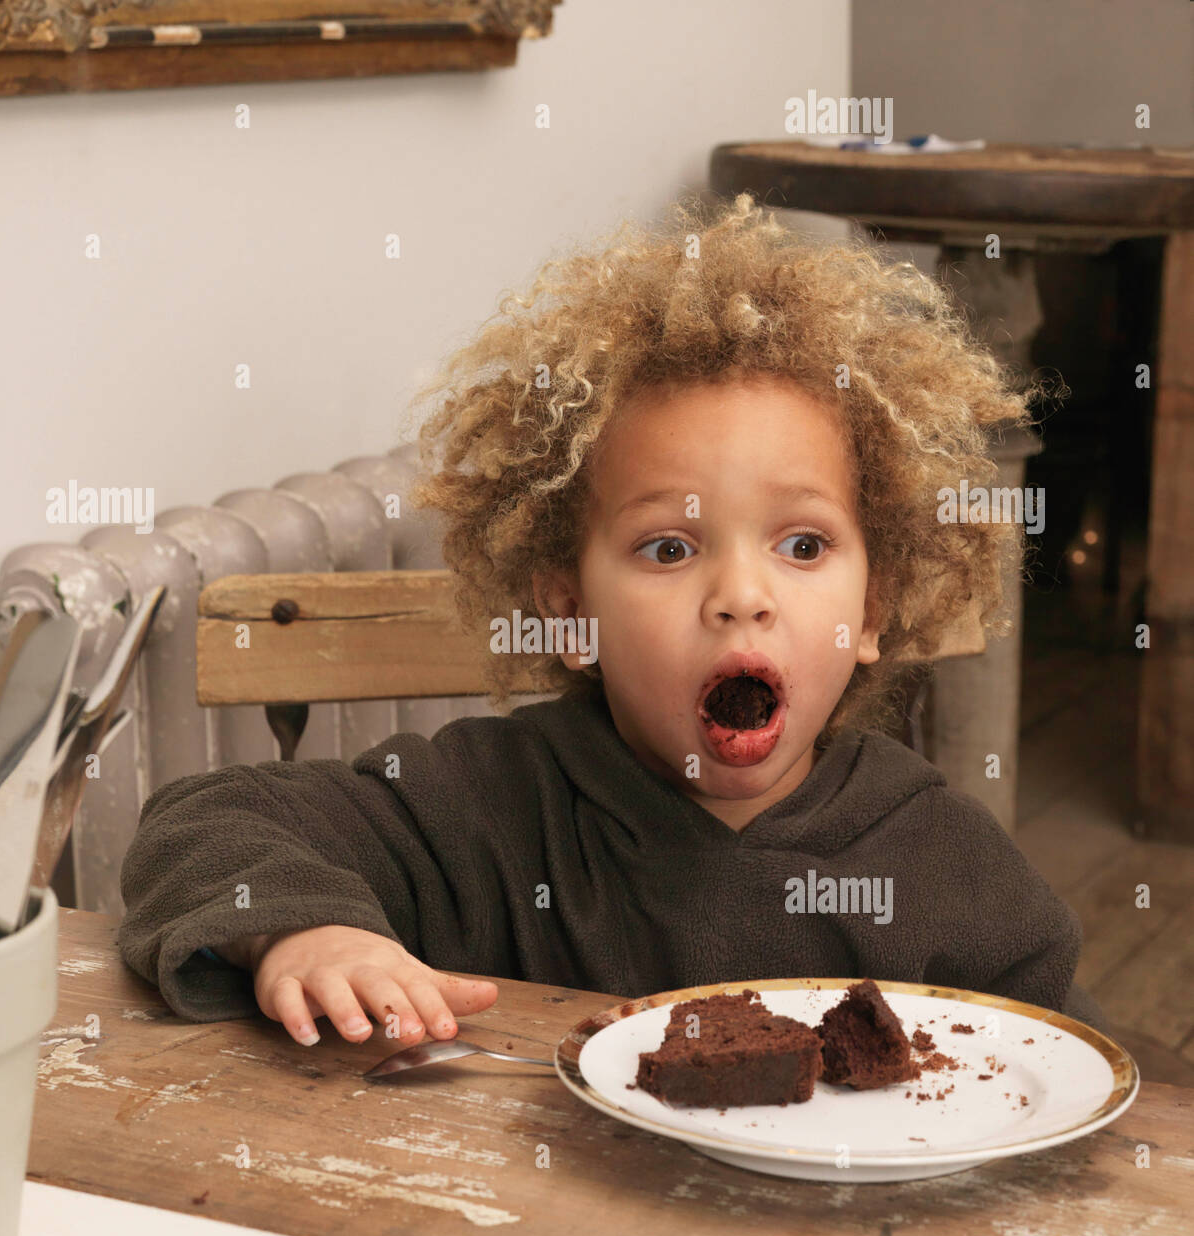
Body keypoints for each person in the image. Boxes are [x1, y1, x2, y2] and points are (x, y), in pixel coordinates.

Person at [118, 193, 1107, 1046]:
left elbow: (1081, 1068)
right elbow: (203, 823)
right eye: (669, 549)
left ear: (874, 610)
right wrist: (310, 932)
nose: (741, 593)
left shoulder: (938, 856)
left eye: (801, 546)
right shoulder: (487, 809)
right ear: (569, 611)